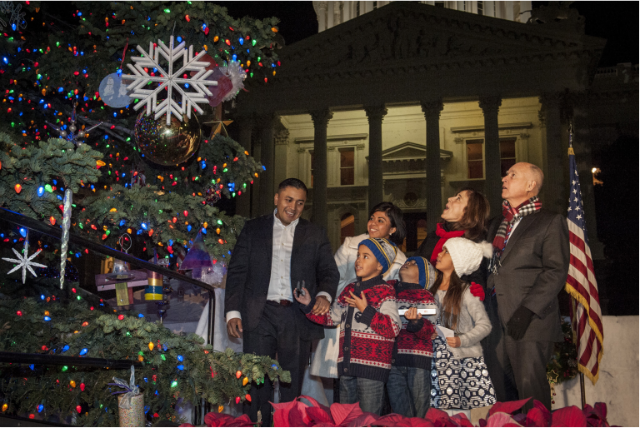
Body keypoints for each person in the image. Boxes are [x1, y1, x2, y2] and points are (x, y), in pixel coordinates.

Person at [224, 178, 339, 426]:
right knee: (256, 381)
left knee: (291, 381)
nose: (293, 207)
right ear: (276, 199)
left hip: (295, 316)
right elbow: (237, 272)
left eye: (300, 203)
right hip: (259, 313)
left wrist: (324, 295)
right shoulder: (253, 229)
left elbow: (329, 272)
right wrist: (233, 311)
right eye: (288, 200)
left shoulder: (315, 233)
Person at [485, 162, 569, 411]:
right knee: (502, 390)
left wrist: (527, 310)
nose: (504, 178)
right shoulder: (496, 224)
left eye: (513, 175)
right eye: (506, 174)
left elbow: (556, 271)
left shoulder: (549, 221)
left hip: (529, 320)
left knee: (529, 387)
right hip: (495, 317)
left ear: (531, 185)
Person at [295, 238, 401, 415]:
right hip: (346, 368)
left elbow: (392, 328)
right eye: (358, 255)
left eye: (366, 257)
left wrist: (365, 310)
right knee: (346, 418)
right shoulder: (349, 289)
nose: (359, 260)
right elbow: (331, 318)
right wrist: (309, 304)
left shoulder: (385, 291)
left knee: (368, 419)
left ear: (380, 266)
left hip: (372, 371)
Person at [308, 203, 406, 384]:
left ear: (392, 229)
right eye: (371, 218)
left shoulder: (400, 261)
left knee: (371, 386)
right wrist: (334, 300)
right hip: (342, 317)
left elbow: (393, 307)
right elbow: (332, 275)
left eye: (380, 220)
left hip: (374, 337)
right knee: (343, 381)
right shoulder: (351, 244)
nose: (373, 223)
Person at [428, 237, 496, 418]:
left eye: (446, 251)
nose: (439, 254)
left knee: (461, 416)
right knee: (441, 415)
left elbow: (485, 325)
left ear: (458, 260)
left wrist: (462, 339)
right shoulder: (431, 290)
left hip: (463, 362)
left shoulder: (466, 292)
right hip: (438, 362)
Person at [386, 256, 438, 418]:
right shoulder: (388, 291)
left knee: (420, 413)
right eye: (408, 261)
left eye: (415, 264)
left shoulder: (426, 297)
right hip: (391, 362)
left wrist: (416, 322)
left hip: (418, 362)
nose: (408, 263)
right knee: (399, 412)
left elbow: (429, 330)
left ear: (423, 275)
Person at [414, 188, 489, 296]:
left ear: (469, 211)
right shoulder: (433, 237)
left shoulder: (475, 244)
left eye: (459, 198)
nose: (449, 199)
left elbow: (478, 281)